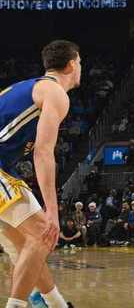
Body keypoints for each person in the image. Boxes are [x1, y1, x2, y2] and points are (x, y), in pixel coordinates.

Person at [0, 39, 80, 308]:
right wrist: (53, 211)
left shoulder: (27, 87)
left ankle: (56, 304)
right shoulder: (55, 93)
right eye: (80, 62)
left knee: (28, 245)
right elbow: (43, 153)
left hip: (4, 169)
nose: (81, 67)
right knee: (42, 234)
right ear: (72, 64)